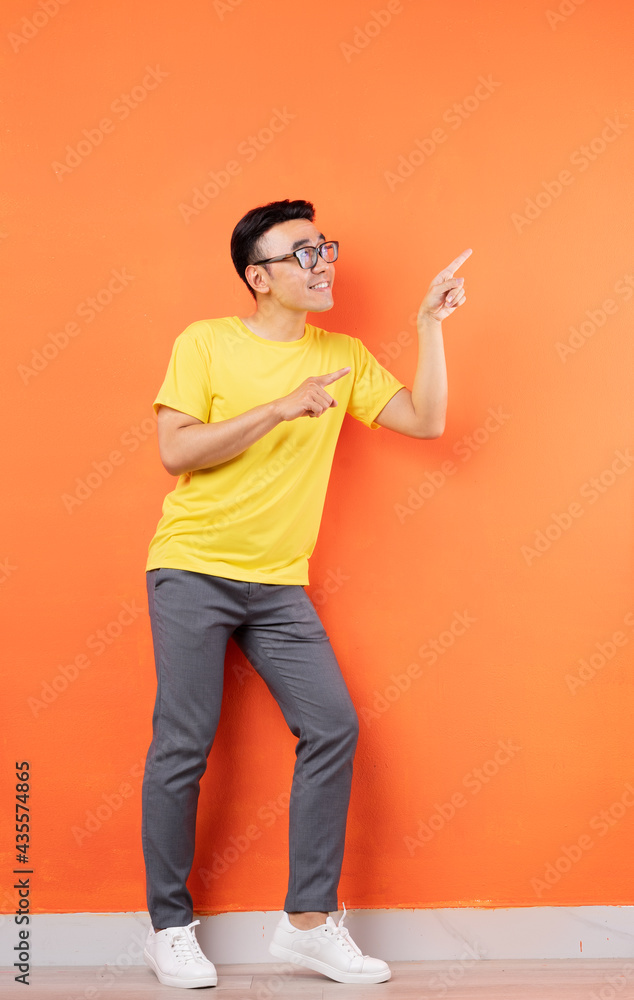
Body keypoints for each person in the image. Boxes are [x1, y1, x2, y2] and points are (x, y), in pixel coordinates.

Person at [141, 197, 471, 989]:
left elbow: (426, 420)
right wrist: (279, 407)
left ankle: (308, 923)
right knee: (184, 742)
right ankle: (168, 928)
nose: (324, 262)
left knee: (332, 728)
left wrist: (429, 323)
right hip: (191, 566)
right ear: (259, 277)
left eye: (324, 247)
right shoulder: (207, 342)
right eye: (303, 253)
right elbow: (174, 448)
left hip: (278, 584)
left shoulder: (343, 355)